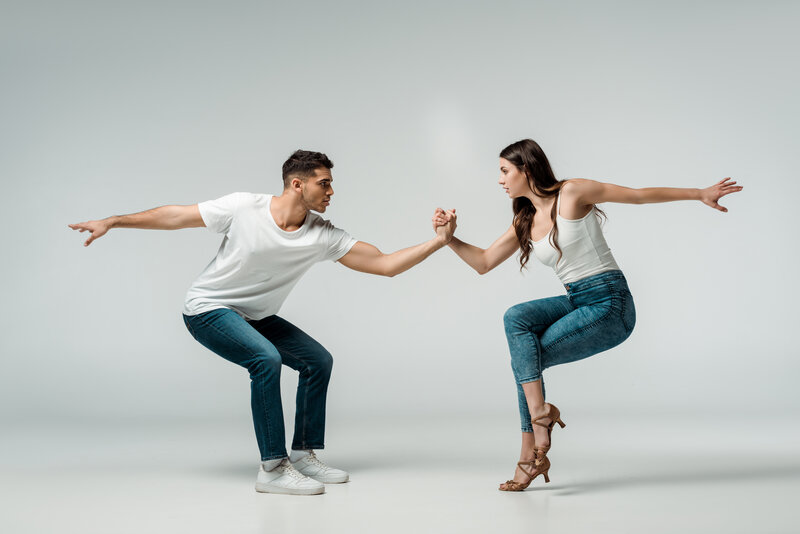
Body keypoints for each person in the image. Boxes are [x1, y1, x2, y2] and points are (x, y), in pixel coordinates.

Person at [69, 149, 456, 495]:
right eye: (324, 184)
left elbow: (384, 264)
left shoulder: (321, 235)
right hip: (208, 309)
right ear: (297, 184)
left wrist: (438, 242)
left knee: (317, 360)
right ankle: (272, 468)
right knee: (265, 359)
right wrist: (113, 221)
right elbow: (175, 216)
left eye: (331, 186)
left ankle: (303, 456)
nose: (331, 192)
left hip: (255, 316)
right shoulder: (243, 208)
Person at [432, 138, 741, 491]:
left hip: (611, 305)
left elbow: (638, 195)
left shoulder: (573, 193)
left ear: (527, 169)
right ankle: (540, 420)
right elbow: (484, 262)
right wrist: (449, 240)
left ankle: (531, 450)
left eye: (505, 171)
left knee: (525, 364)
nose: (500, 180)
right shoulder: (526, 219)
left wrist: (699, 193)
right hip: (578, 300)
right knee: (516, 319)